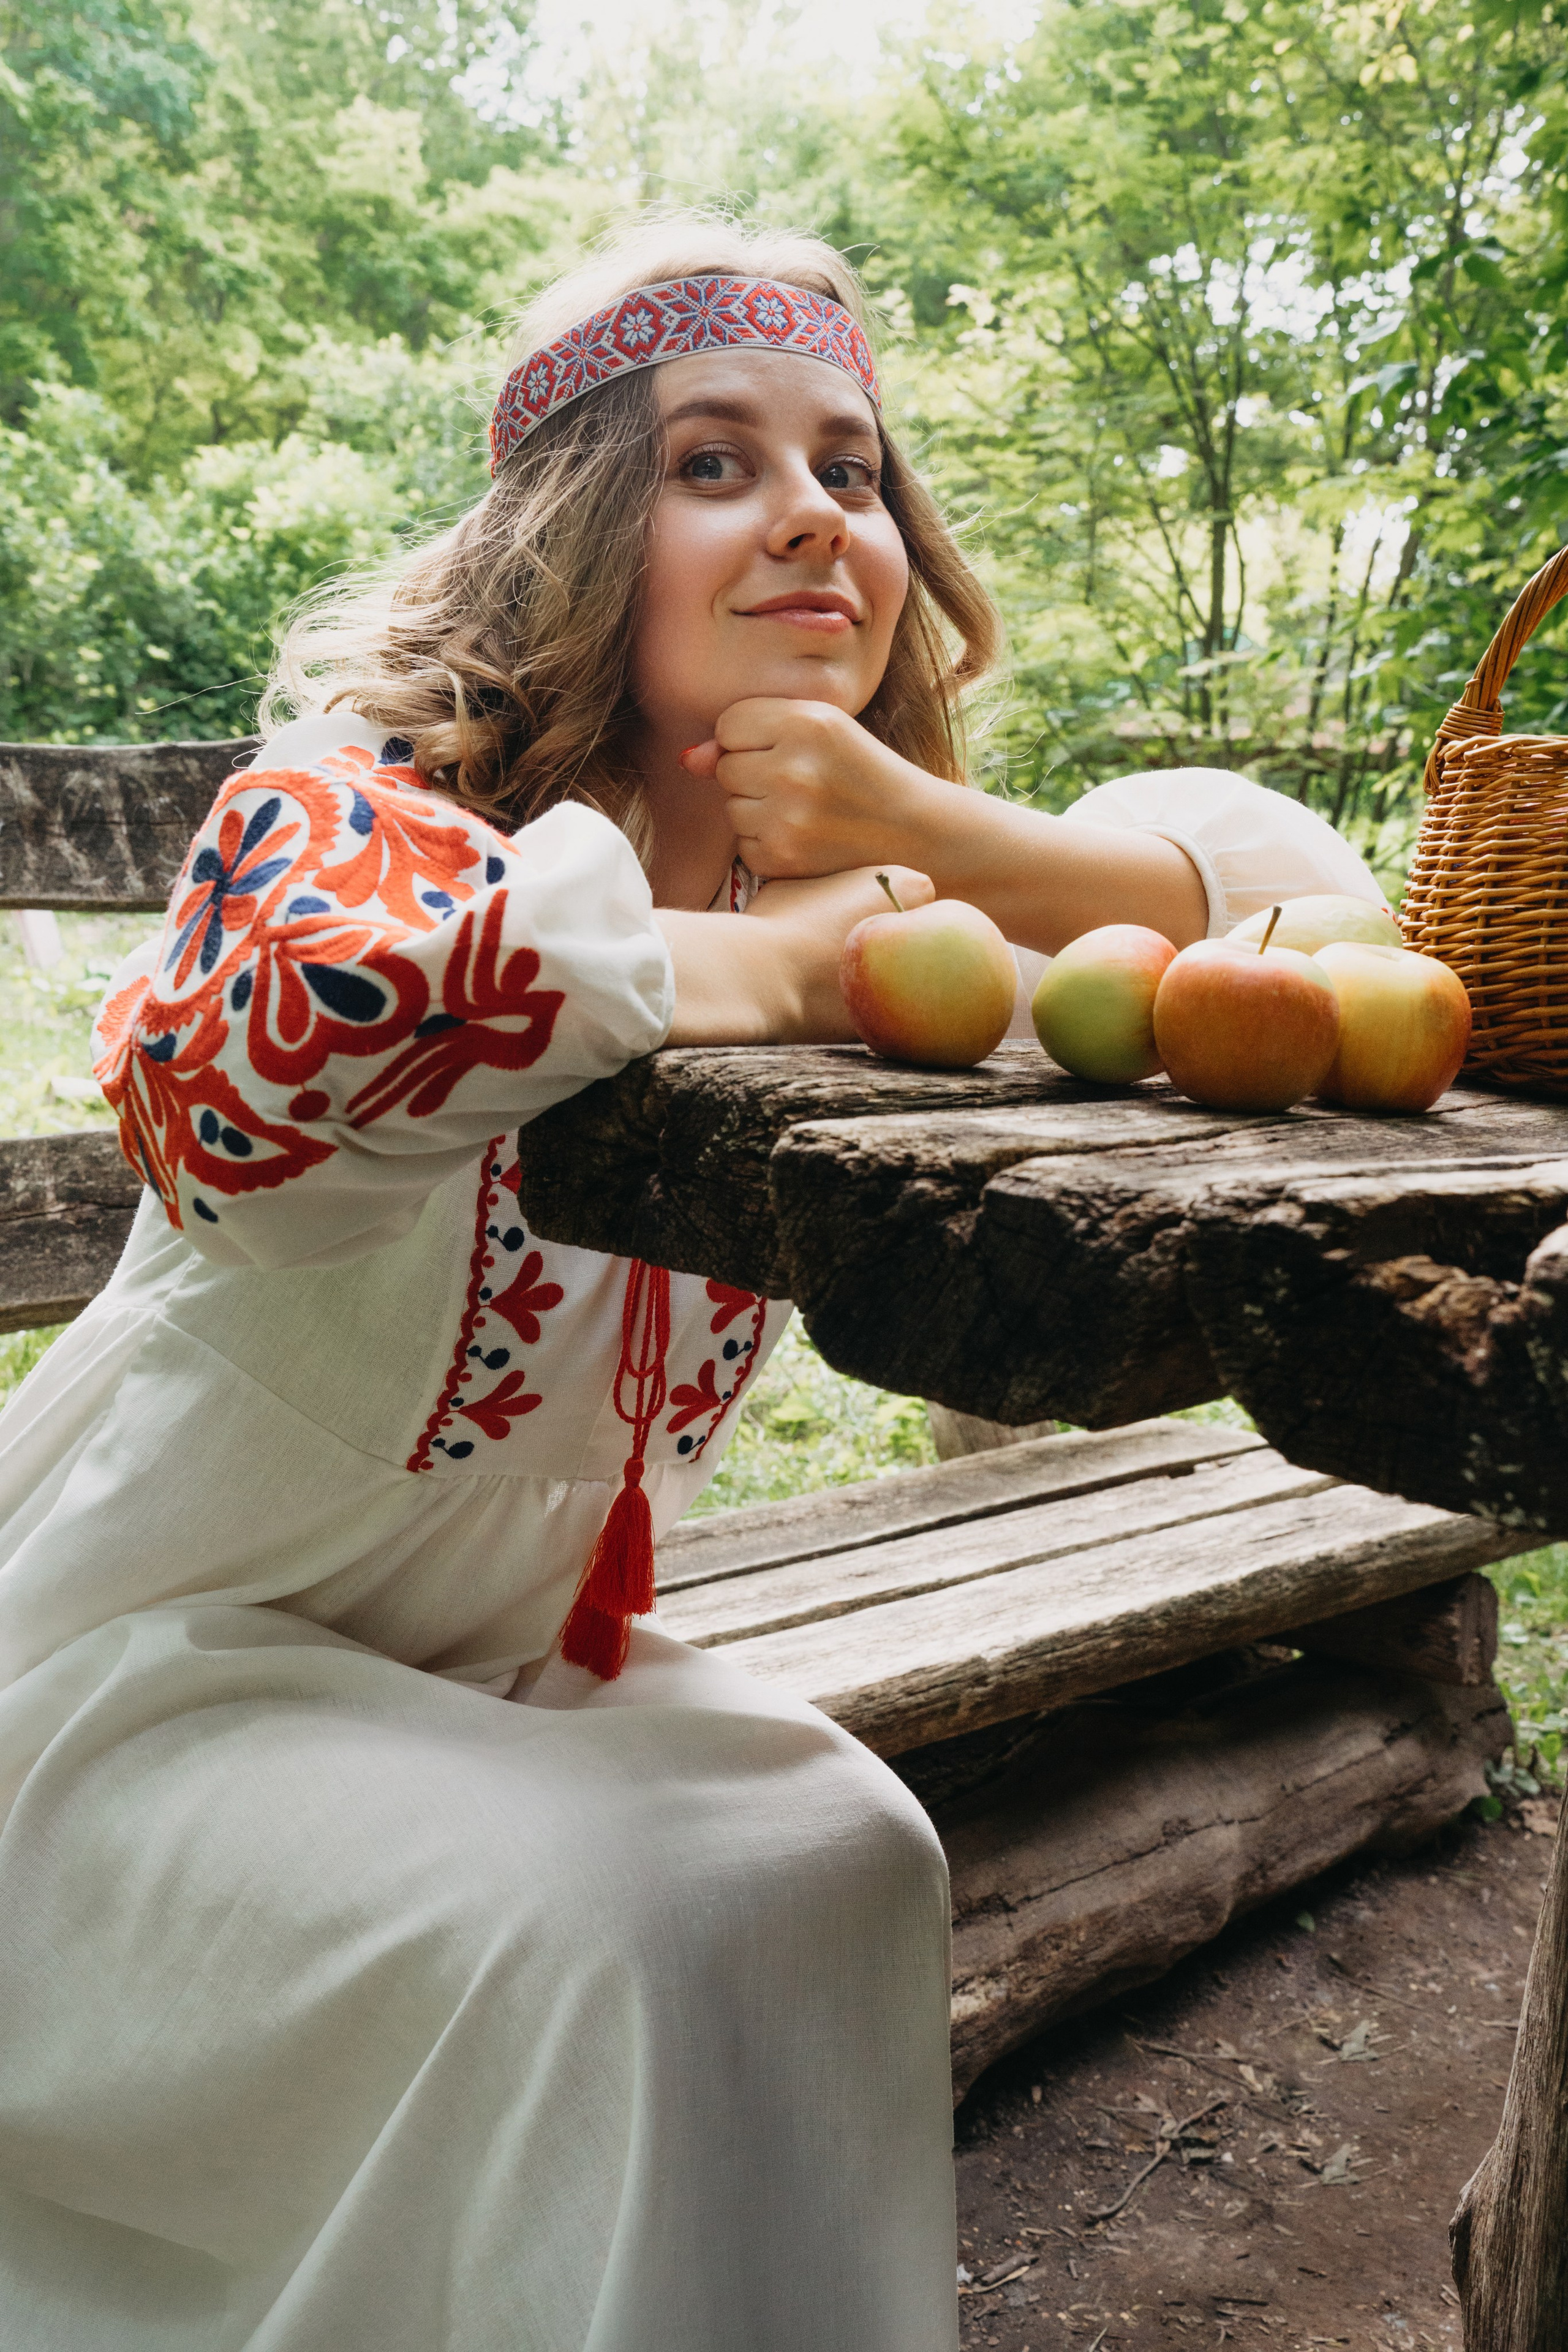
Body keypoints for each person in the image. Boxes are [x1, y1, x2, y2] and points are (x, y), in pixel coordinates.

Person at [0, 216, 1384, 2351]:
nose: (815, 518)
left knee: (843, 1855)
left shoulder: (888, 910)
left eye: (855, 468)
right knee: (622, 1921)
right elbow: (241, 1066)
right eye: (714, 462)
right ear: (567, 534)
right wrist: (766, 964)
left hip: (485, 1678)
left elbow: (1320, 909)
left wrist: (951, 841)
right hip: (120, 1692)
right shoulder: (369, 825)